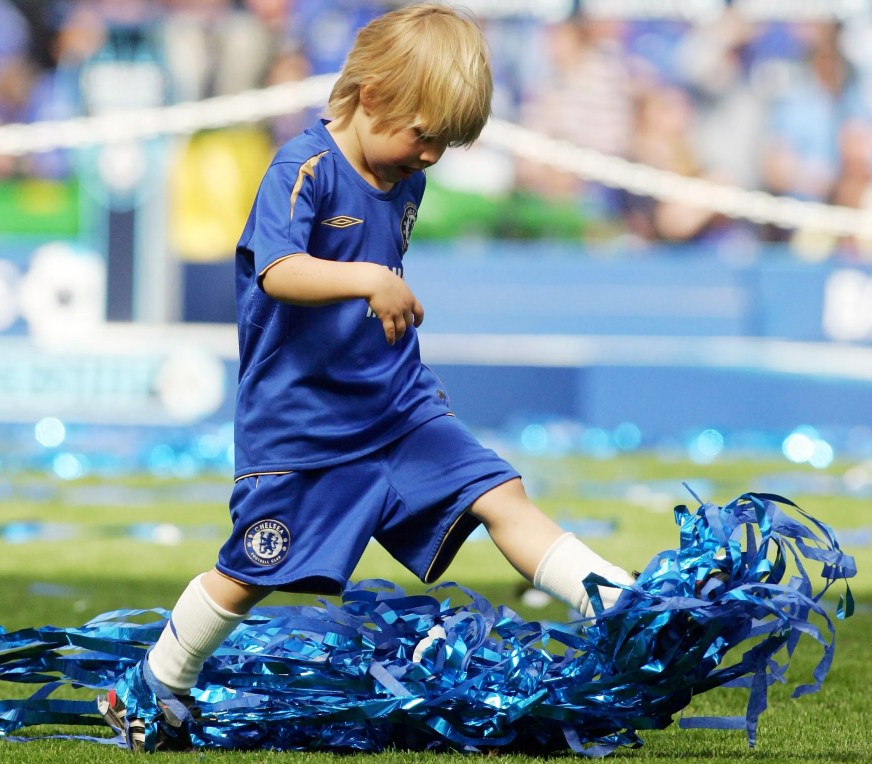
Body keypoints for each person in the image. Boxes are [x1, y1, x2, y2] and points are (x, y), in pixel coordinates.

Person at [98, 4, 634, 751]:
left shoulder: (404, 176)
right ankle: (159, 679)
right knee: (254, 567)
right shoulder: (302, 169)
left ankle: (623, 608)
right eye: (426, 136)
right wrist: (369, 280)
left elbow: (378, 260)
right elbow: (279, 271)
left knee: (498, 491)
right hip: (306, 428)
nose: (432, 158)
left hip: (397, 408)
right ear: (374, 96)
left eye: (446, 144)